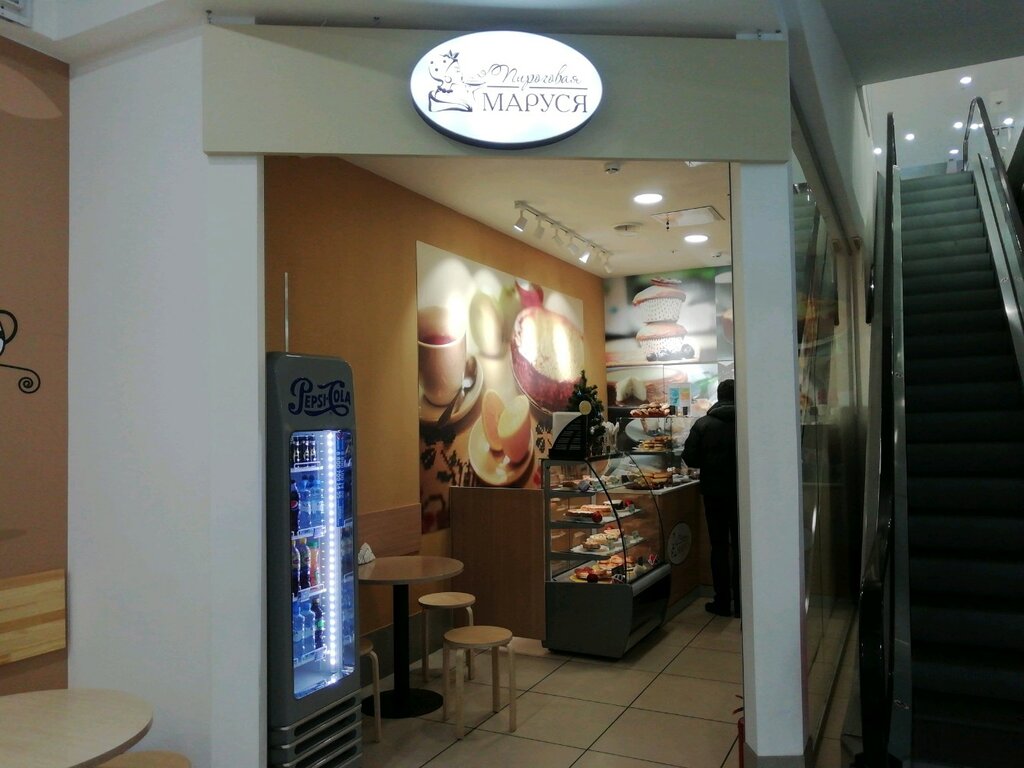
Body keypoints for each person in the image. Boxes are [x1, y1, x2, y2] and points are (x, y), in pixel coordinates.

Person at [681, 379, 739, 617]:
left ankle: (722, 602)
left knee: (719, 547)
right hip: (742, 494)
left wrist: (709, 460)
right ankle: (744, 603)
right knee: (741, 546)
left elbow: (690, 458)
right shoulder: (747, 422)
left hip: (714, 493)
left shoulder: (703, 424)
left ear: (718, 396)